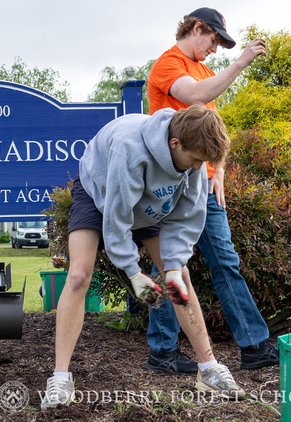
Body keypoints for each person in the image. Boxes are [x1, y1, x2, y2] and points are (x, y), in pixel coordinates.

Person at [41, 104, 246, 411]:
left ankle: (209, 368)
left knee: (180, 277)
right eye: (194, 160)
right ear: (175, 143)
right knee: (79, 274)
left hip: (150, 201)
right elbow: (117, 218)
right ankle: (59, 378)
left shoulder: (195, 158)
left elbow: (187, 218)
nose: (196, 167)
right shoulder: (130, 150)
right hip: (101, 190)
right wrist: (134, 273)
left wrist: (174, 265)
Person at [145, 7, 279, 374]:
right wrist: (240, 63)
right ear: (197, 28)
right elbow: (195, 96)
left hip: (203, 184)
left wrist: (216, 167)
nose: (215, 50)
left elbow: (213, 125)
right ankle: (163, 351)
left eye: (221, 45)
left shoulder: (204, 68)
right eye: (214, 40)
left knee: (225, 260)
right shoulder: (167, 66)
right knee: (168, 264)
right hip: (170, 184)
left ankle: (253, 347)